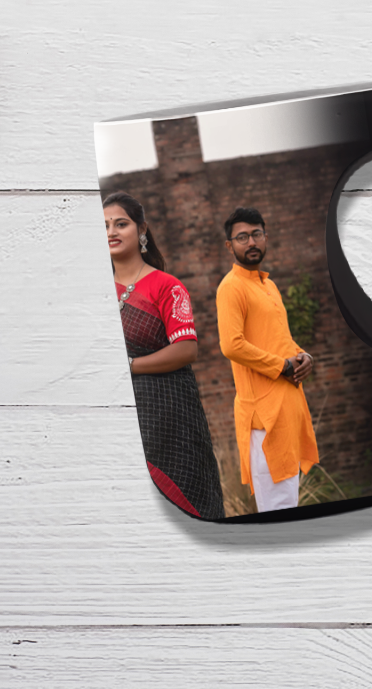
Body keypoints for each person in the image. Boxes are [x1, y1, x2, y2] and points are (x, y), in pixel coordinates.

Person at [103, 191, 224, 520]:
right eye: (104, 226)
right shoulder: (95, 292)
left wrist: (130, 366)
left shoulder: (166, 286)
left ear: (142, 230)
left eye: (121, 224)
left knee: (181, 499)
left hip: (169, 415)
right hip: (115, 414)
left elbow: (187, 349)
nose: (111, 232)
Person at [215, 207, 319, 513]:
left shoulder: (268, 285)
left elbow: (279, 339)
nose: (251, 243)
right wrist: (282, 367)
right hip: (263, 417)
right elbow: (231, 345)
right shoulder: (231, 288)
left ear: (266, 236)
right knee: (277, 511)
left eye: (256, 234)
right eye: (242, 237)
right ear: (229, 246)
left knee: (288, 503)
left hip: (287, 409)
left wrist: (303, 356)